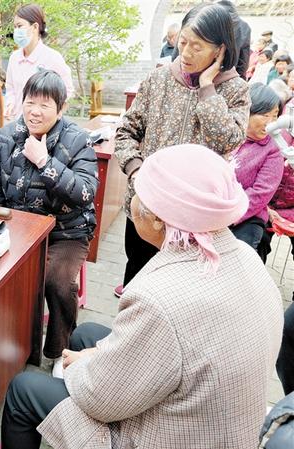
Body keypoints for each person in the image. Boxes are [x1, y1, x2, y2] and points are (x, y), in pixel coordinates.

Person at [0, 144, 283, 449]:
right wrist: (94, 357)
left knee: (23, 390)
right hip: (212, 420)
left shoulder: (158, 298)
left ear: (159, 218)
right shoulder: (245, 255)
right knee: (87, 334)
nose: (131, 202)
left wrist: (78, 366)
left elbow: (100, 400)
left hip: (171, 438)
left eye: (137, 193)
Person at [113, 3, 250, 297]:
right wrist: (137, 172)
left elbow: (228, 141)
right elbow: (125, 132)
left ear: (220, 50)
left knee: (178, 292)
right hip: (146, 209)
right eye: (183, 42)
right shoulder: (159, 79)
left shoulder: (235, 90)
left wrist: (207, 89)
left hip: (193, 222)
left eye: (197, 47)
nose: (185, 53)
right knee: (136, 279)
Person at [0, 70, 98, 378]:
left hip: (66, 232)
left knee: (57, 281)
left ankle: (61, 351)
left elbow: (85, 192)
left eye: (45, 105)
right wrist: (1, 228)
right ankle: (18, 348)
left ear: (61, 109)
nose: (35, 111)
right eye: (30, 102)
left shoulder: (78, 140)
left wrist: (45, 162)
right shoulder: (7, 136)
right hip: (19, 229)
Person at [230, 83, 283, 254]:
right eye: (265, 115)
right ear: (247, 111)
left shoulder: (272, 150)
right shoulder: (227, 136)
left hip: (246, 218)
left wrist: (227, 215)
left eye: (275, 116)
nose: (271, 122)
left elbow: (260, 193)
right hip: (211, 209)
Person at [3, 4, 74, 121]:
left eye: (20, 26)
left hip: (44, 124)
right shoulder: (14, 58)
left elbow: (67, 90)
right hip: (19, 122)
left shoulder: (52, 57)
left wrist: (54, 114)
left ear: (35, 27)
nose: (16, 31)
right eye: (14, 27)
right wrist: (10, 105)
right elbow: (10, 88)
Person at [214, 0, 251, 79]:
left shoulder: (211, 20)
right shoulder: (245, 26)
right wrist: (239, 77)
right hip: (231, 75)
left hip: (208, 73)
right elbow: (244, 59)